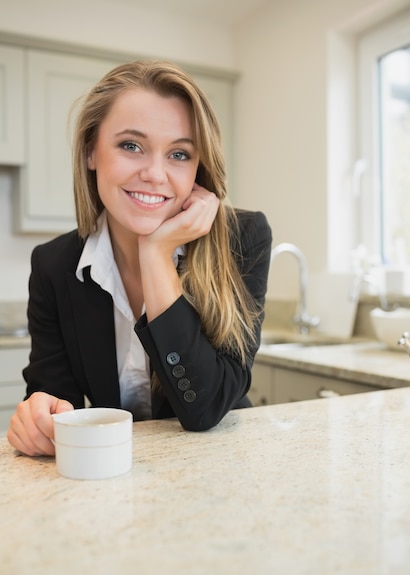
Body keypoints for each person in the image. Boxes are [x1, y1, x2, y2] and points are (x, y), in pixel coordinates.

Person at [7, 59, 272, 457]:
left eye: (179, 154)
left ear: (199, 168)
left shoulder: (244, 240)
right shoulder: (53, 265)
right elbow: (56, 398)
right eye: (131, 146)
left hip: (219, 467)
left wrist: (156, 254)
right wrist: (41, 416)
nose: (155, 173)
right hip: (114, 472)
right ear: (90, 152)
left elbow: (206, 409)